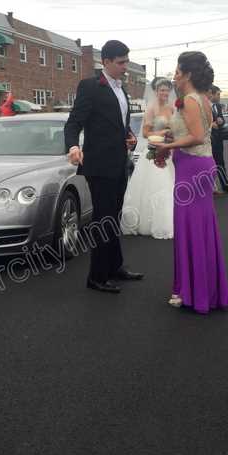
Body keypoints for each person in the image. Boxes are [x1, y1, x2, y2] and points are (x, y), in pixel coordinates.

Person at [153, 51, 228, 313]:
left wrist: (167, 147)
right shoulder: (202, 99)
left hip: (193, 168)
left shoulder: (189, 100)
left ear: (187, 74)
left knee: (192, 229)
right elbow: (194, 131)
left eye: (177, 71)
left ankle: (193, 292)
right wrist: (167, 137)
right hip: (197, 166)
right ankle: (198, 288)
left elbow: (196, 136)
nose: (174, 76)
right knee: (199, 227)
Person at [64, 40, 143, 294]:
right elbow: (73, 122)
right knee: (103, 218)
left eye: (126, 62)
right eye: (120, 62)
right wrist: (73, 147)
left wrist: (129, 136)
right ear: (106, 62)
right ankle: (97, 276)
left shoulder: (123, 89)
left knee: (115, 216)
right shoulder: (90, 86)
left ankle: (115, 266)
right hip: (99, 166)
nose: (125, 67)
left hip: (120, 162)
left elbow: (119, 124)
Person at [121, 79, 175, 239]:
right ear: (156, 91)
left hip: (168, 149)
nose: (164, 93)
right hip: (153, 150)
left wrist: (173, 134)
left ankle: (170, 220)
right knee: (156, 185)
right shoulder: (151, 108)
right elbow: (145, 133)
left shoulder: (172, 108)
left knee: (170, 184)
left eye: (167, 90)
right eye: (162, 90)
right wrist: (163, 133)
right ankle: (150, 222)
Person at [208, 85, 228, 194]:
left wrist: (221, 121)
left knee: (220, 162)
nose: (219, 96)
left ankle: (226, 185)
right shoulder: (204, 106)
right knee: (209, 164)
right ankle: (210, 188)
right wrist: (210, 124)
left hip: (218, 138)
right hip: (208, 139)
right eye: (218, 94)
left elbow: (221, 118)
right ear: (211, 94)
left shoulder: (218, 106)